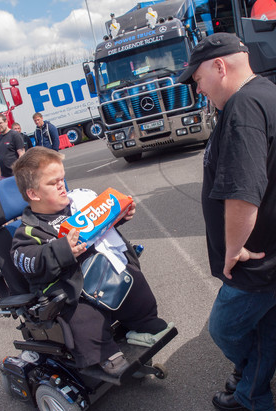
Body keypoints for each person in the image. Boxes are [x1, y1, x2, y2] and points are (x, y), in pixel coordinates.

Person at [177, 33, 276, 411]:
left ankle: (249, 375)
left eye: (198, 79)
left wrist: (233, 249)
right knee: (264, 322)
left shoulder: (244, 108)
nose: (198, 88)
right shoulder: (273, 94)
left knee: (225, 327)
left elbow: (243, 192)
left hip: (258, 255)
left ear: (219, 67)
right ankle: (254, 393)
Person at [10, 147, 169, 376]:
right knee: (83, 316)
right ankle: (105, 354)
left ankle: (143, 322)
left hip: (103, 272)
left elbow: (101, 230)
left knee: (134, 280)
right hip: (72, 288)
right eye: (53, 183)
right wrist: (62, 249)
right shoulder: (28, 231)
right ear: (34, 194)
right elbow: (27, 261)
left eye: (62, 179)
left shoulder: (78, 203)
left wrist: (119, 216)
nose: (61, 185)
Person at [0, 113, 24, 179]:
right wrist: (0, 175)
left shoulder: (15, 135)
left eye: (0, 123)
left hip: (16, 174)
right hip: (5, 177)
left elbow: (21, 155)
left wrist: (19, 173)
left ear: (6, 122)